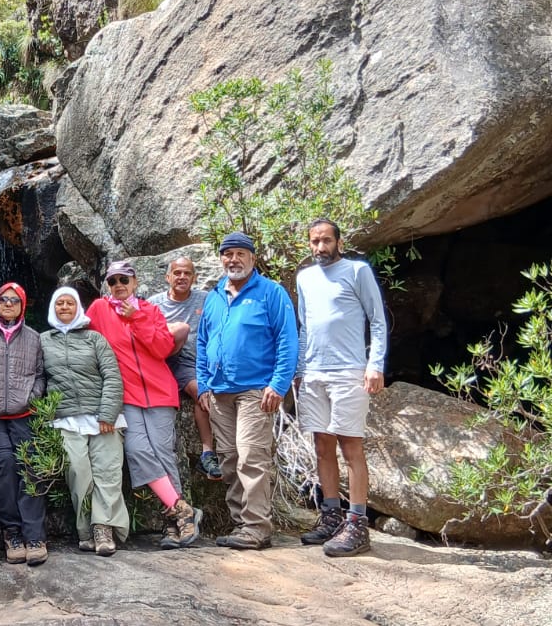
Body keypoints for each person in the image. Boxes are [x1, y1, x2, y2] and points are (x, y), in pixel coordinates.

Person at [87, 260, 202, 549]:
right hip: (126, 396)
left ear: (135, 283)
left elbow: (163, 349)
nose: (119, 285)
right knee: (137, 450)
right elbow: (83, 333)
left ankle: (173, 525)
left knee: (164, 455)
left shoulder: (149, 310)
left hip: (160, 392)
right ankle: (183, 510)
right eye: (113, 281)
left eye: (124, 280)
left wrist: (136, 317)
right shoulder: (99, 309)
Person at [195, 232, 299, 550]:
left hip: (256, 391)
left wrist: (278, 385)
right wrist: (203, 384)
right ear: (221, 259)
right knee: (229, 459)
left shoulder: (271, 293)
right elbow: (203, 342)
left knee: (251, 457)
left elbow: (287, 340)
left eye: (240, 253)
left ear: (252, 258)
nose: (234, 259)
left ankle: (257, 527)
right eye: (228, 254)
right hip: (219, 393)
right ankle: (242, 524)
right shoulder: (214, 296)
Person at [295, 217, 388, 556]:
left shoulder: (357, 271)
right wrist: (300, 369)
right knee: (322, 445)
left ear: (339, 242)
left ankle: (357, 525)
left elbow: (377, 321)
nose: (321, 247)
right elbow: (304, 326)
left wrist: (375, 365)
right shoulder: (304, 278)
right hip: (314, 372)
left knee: (351, 447)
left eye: (327, 241)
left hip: (349, 371)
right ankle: (331, 516)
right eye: (315, 241)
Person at [40, 287, 128, 557]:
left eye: (70, 303)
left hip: (102, 418)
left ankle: (103, 529)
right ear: (53, 308)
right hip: (65, 419)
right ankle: (85, 530)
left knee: (108, 473)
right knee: (78, 473)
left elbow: (112, 376)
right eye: (60, 303)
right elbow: (37, 377)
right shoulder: (43, 340)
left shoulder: (94, 338)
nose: (65, 307)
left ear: (78, 307)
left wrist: (108, 413)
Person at [0, 283, 48, 566]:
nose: (8, 304)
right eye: (3, 299)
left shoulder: (33, 337)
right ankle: (12, 531)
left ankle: (34, 535)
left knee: (31, 463)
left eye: (14, 300)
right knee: (3, 460)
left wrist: (32, 396)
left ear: (22, 305)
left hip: (22, 413)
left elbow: (40, 375)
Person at [149, 257, 222, 481]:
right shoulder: (155, 304)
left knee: (213, 390)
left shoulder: (206, 299)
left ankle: (213, 453)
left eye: (187, 273)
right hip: (170, 360)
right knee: (201, 390)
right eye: (177, 273)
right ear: (167, 277)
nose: (182, 277)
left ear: (194, 277)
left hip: (200, 361)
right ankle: (208, 452)